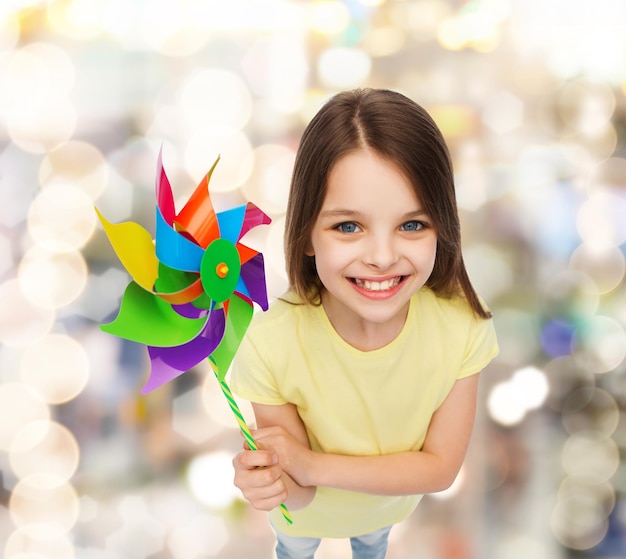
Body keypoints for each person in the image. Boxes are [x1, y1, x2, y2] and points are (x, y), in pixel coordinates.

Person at [230, 88, 498, 559]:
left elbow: (439, 471)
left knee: (373, 541)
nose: (381, 257)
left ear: (444, 226)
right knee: (295, 544)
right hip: (304, 517)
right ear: (307, 234)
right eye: (348, 227)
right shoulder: (270, 343)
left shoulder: (462, 330)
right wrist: (272, 481)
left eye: (412, 225)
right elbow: (303, 494)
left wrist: (311, 464)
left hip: (388, 513)